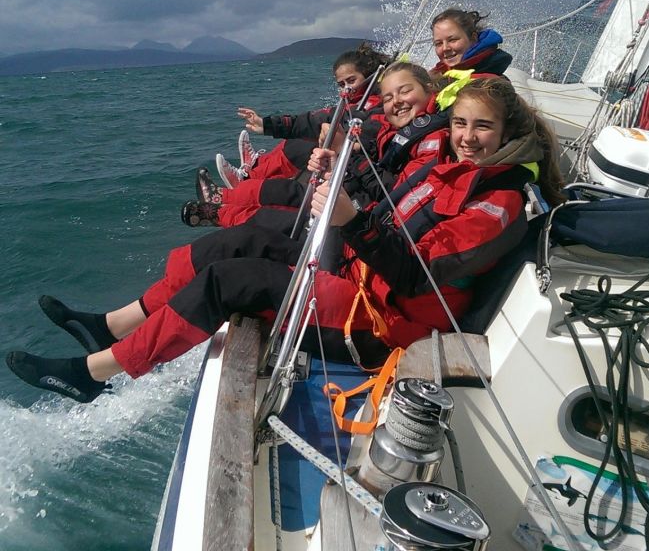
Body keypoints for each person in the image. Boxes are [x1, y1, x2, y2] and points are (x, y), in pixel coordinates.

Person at [5, 76, 564, 404]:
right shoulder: (454, 169)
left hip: (384, 325)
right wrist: (344, 196)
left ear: (508, 134)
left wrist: (353, 220)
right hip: (361, 275)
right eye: (461, 124)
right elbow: (391, 216)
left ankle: (93, 374)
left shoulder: (501, 201)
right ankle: (112, 325)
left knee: (232, 280)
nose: (466, 137)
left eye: (482, 127)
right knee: (236, 241)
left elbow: (419, 274)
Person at [183, 62, 448, 230]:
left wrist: (347, 155)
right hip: (358, 189)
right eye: (389, 96)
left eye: (405, 91)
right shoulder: (392, 120)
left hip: (363, 218)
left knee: (285, 209)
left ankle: (221, 209)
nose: (396, 101)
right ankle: (228, 195)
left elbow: (390, 192)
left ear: (428, 88)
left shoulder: (433, 141)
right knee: (293, 181)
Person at [215, 43, 390, 188]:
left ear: (370, 76)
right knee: (301, 133)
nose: (347, 88)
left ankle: (247, 179)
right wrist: (265, 124)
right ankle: (257, 165)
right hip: (339, 158)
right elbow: (310, 120)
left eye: (351, 81)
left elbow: (368, 141)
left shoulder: (376, 107)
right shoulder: (351, 105)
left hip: (352, 168)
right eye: (341, 84)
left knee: (301, 145)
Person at [429, 7, 513, 109]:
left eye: (452, 40)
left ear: (473, 38)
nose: (445, 48)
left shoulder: (491, 84)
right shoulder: (438, 75)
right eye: (438, 43)